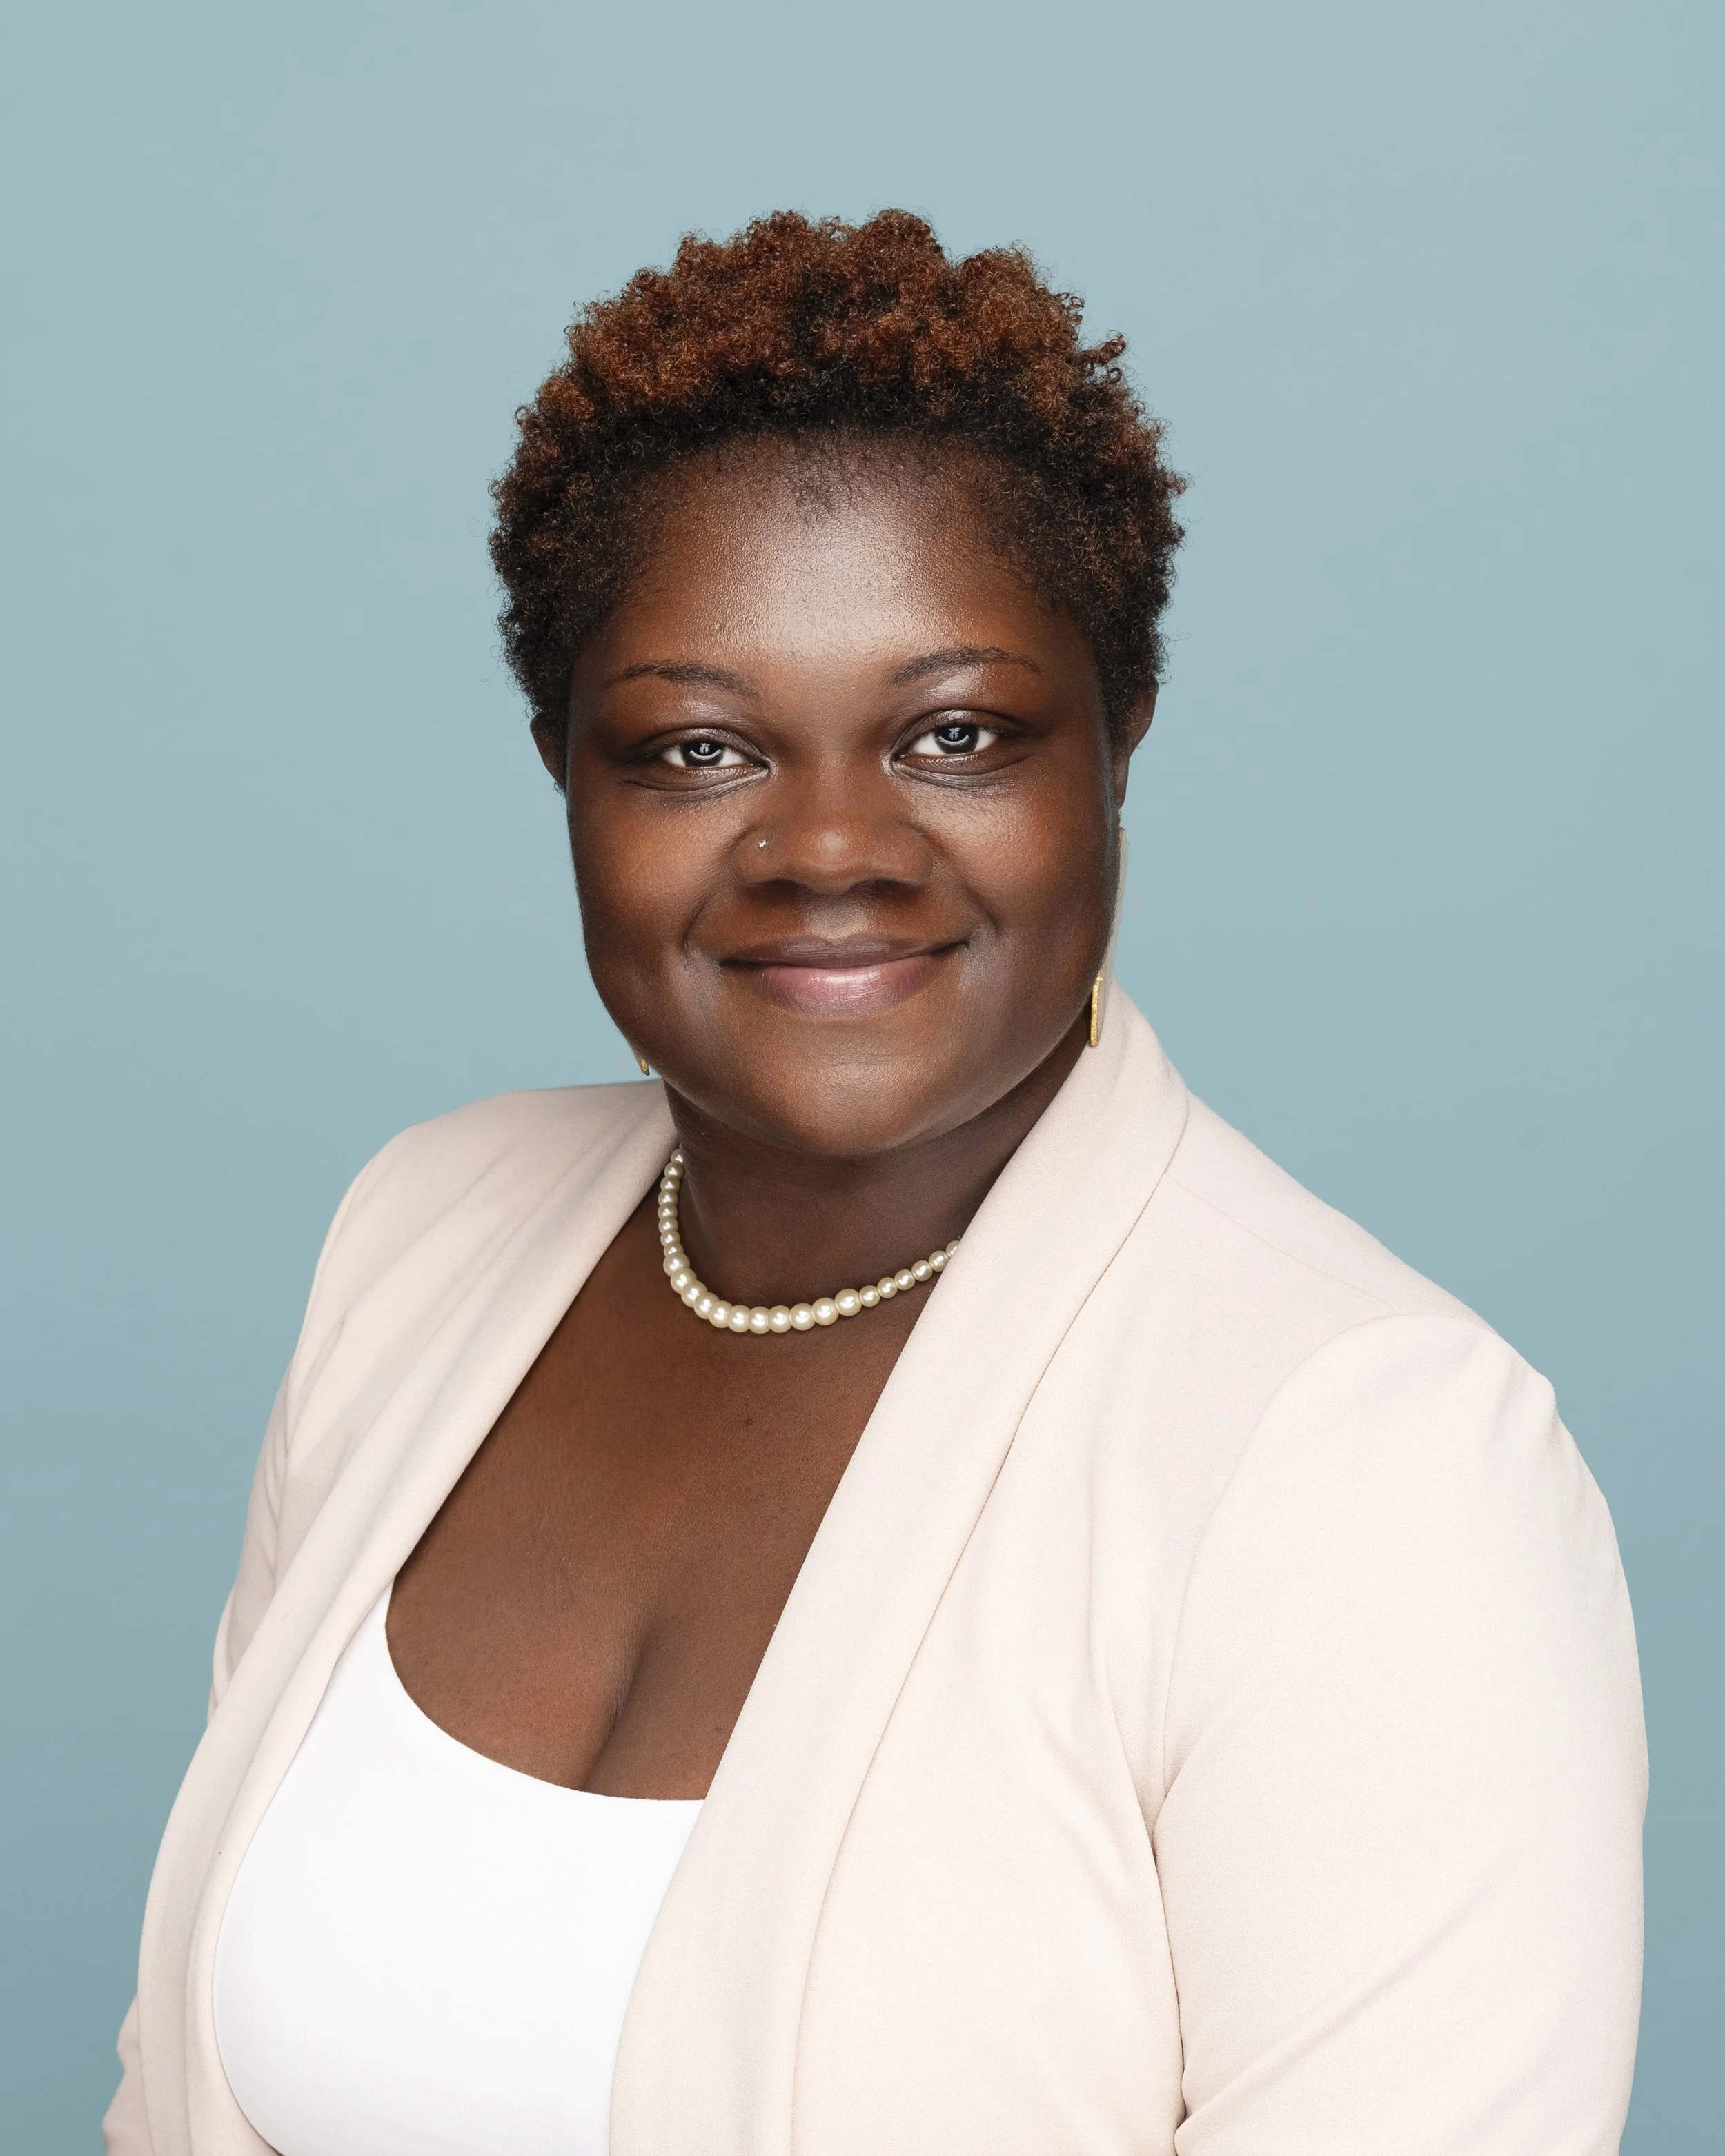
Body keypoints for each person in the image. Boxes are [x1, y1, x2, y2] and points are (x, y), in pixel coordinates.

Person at [106, 210, 1645, 2156]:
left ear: (1117, 739)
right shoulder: (420, 1238)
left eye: (956, 735)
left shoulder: (1369, 1462)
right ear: (564, 766)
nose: (829, 845)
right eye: (696, 748)